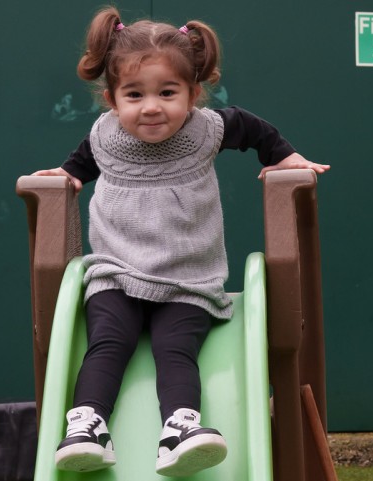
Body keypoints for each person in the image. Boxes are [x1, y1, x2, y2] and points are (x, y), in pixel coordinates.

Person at [31, 6, 330, 477]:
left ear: (192, 94)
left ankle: (179, 428)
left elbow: (256, 132)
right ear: (112, 99)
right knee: (108, 341)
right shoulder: (104, 136)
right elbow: (82, 162)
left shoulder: (207, 129)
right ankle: (87, 425)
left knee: (176, 349)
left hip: (188, 278)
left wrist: (286, 158)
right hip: (117, 272)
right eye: (134, 94)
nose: (151, 106)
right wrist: (65, 176)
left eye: (167, 92)